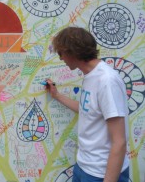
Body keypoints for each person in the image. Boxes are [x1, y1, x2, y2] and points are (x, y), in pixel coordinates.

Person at [45, 27, 129, 182]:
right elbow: (88, 110)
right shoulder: (91, 76)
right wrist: (57, 96)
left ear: (72, 52)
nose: (61, 59)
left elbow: (120, 142)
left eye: (61, 53)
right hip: (84, 166)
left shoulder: (107, 81)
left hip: (102, 173)